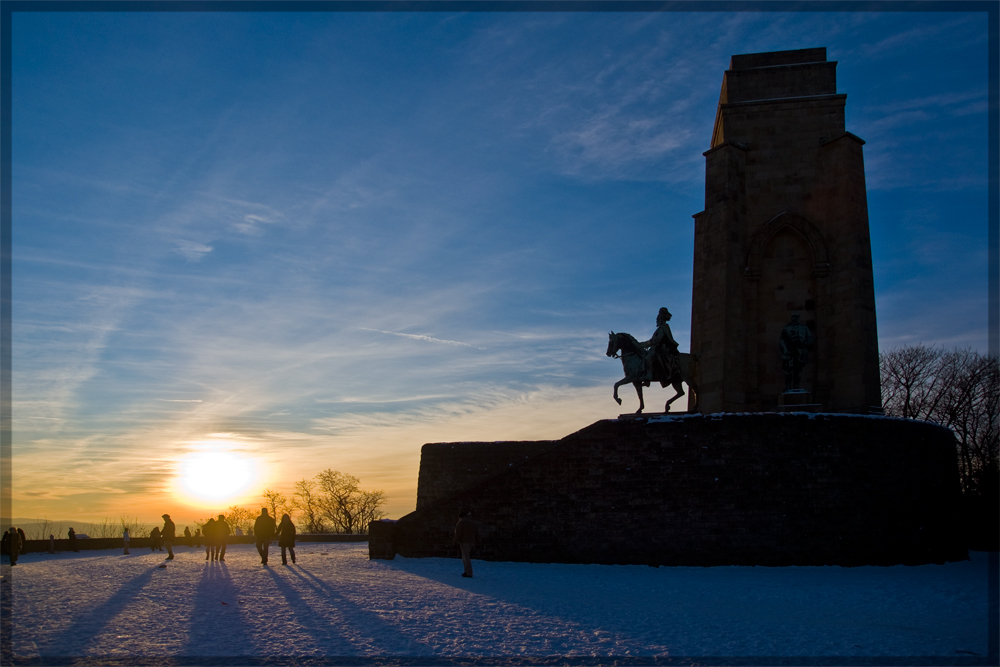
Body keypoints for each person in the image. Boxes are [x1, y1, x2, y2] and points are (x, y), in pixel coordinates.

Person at [638, 307, 681, 384]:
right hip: (657, 348)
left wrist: (643, 345)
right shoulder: (660, 328)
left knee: (648, 358)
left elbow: (656, 340)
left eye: (657, 318)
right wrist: (642, 344)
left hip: (661, 349)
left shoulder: (664, 327)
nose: (656, 320)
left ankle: (649, 376)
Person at [453, 510, 479, 578]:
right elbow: (477, 533)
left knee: (466, 557)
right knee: (466, 556)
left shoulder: (461, 522)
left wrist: (455, 541)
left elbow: (458, 533)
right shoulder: (472, 523)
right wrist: (477, 540)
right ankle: (467, 571)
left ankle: (468, 572)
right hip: (471, 541)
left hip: (464, 541)